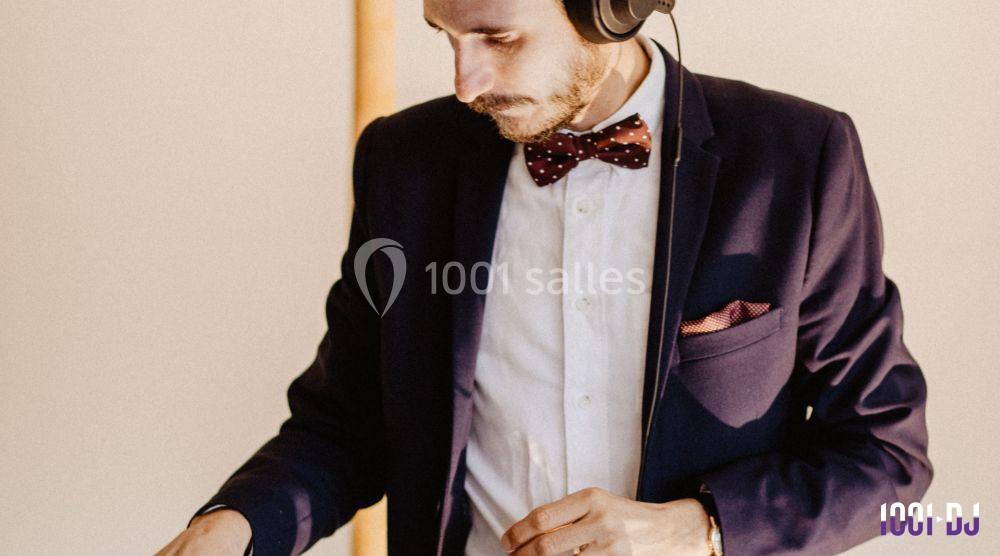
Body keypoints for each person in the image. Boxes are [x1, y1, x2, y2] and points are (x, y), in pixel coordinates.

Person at [157, 1, 932, 555]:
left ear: (611, 10)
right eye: (446, 37)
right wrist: (239, 524)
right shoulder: (404, 161)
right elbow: (349, 421)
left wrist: (699, 529)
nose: (465, 81)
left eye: (498, 38)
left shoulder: (797, 158)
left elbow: (887, 462)